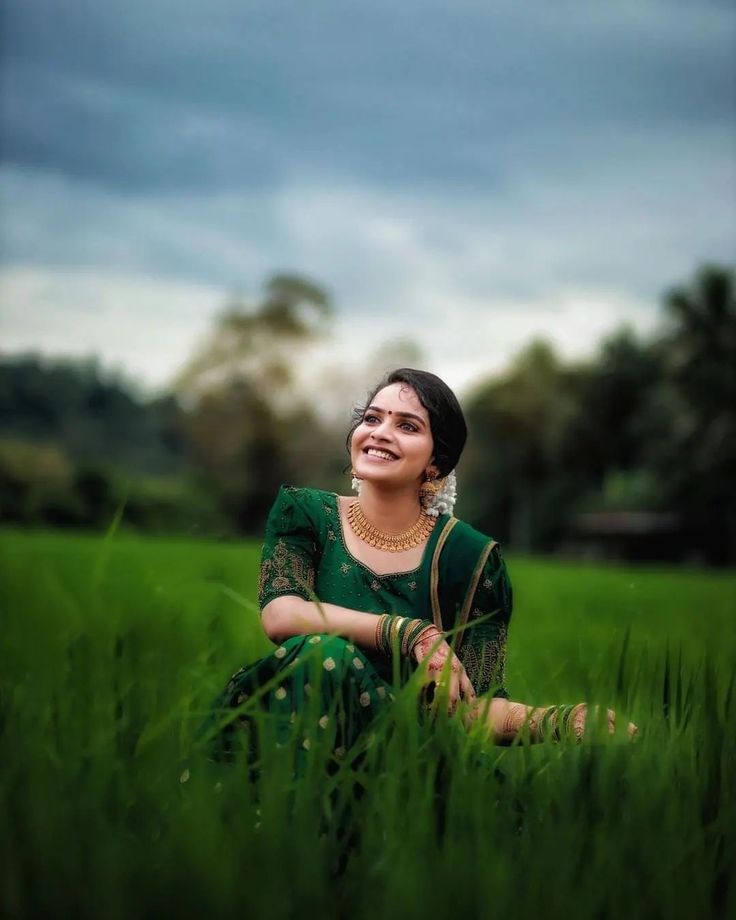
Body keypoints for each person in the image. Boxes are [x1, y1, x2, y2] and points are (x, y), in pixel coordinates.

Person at [205, 367, 637, 769]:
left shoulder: (469, 558)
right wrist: (408, 633)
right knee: (326, 656)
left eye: (407, 426)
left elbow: (474, 707)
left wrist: (558, 721)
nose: (381, 433)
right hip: (290, 735)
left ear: (436, 463)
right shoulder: (305, 514)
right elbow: (281, 615)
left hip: (399, 760)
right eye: (372, 419)